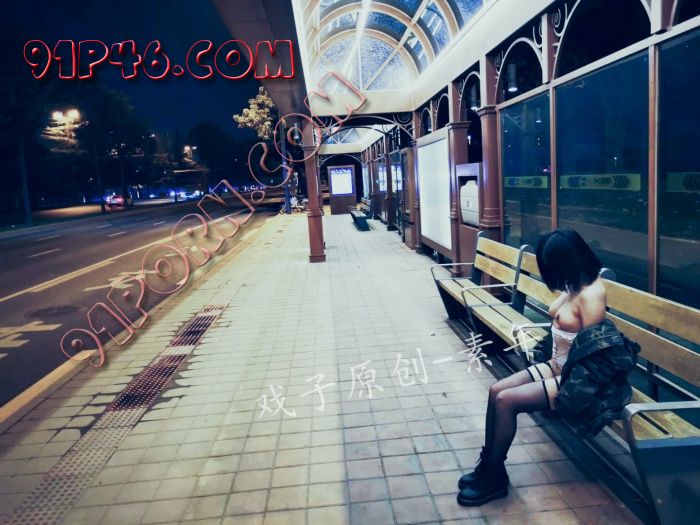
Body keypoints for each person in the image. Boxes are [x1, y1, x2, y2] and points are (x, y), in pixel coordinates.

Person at [457, 229, 640, 506]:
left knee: (506, 402)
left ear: (567, 262)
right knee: (496, 390)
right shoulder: (574, 284)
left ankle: (493, 477)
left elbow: (595, 355)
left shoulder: (592, 295)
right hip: (556, 365)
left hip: (575, 380)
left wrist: (570, 394)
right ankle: (490, 467)